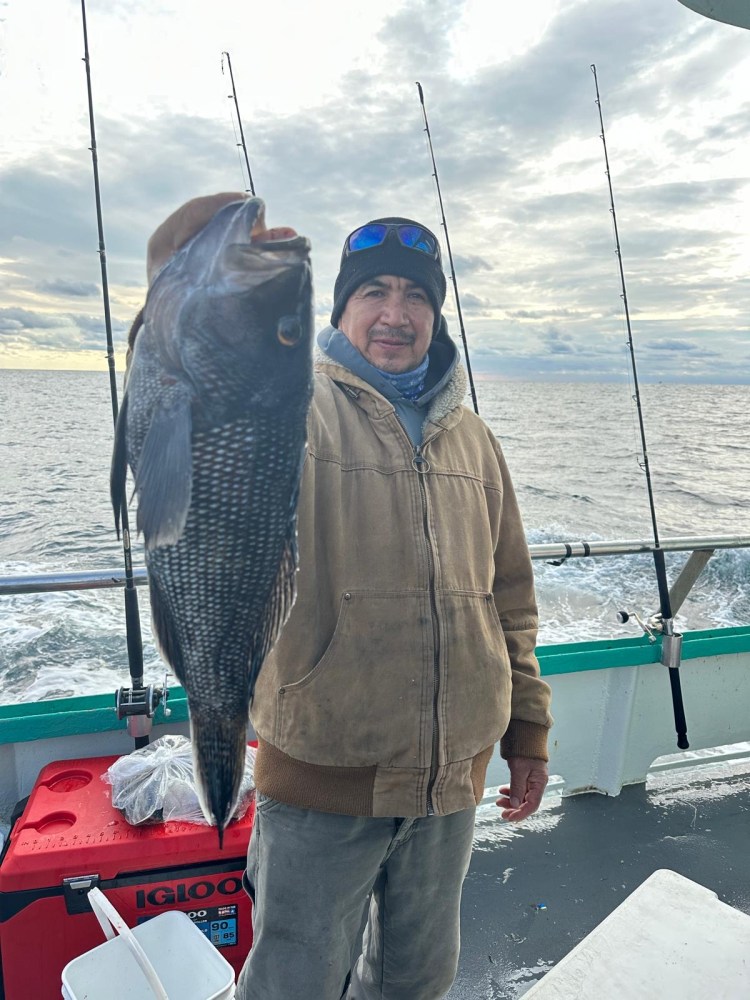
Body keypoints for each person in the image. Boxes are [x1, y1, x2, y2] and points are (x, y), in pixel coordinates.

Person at [144, 194, 553, 1000]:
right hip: (323, 775)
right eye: (375, 292)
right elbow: (201, 386)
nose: (395, 314)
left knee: (417, 979)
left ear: (435, 314)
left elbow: (510, 591)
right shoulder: (292, 403)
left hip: (448, 781)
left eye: (415, 295)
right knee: (294, 981)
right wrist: (186, 269)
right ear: (340, 307)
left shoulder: (473, 437)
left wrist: (528, 728)